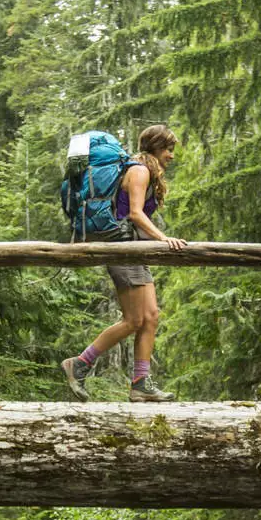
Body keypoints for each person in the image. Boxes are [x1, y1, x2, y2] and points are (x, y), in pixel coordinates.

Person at [59, 124, 188, 402]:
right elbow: (135, 214)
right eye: (168, 149)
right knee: (134, 319)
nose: (171, 156)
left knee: (151, 316)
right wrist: (165, 239)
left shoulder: (141, 171)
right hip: (122, 247)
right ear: (155, 147)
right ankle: (80, 363)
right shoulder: (139, 171)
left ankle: (141, 382)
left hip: (132, 248)